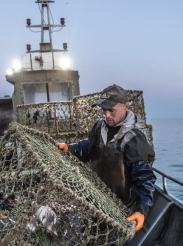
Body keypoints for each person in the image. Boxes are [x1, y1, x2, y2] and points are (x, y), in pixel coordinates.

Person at [57, 84, 156, 232]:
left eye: (111, 110)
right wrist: (70, 148)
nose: (107, 115)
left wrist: (141, 211)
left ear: (126, 106)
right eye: (104, 110)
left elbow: (145, 179)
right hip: (94, 197)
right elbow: (87, 149)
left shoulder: (134, 138)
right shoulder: (99, 127)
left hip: (120, 207)